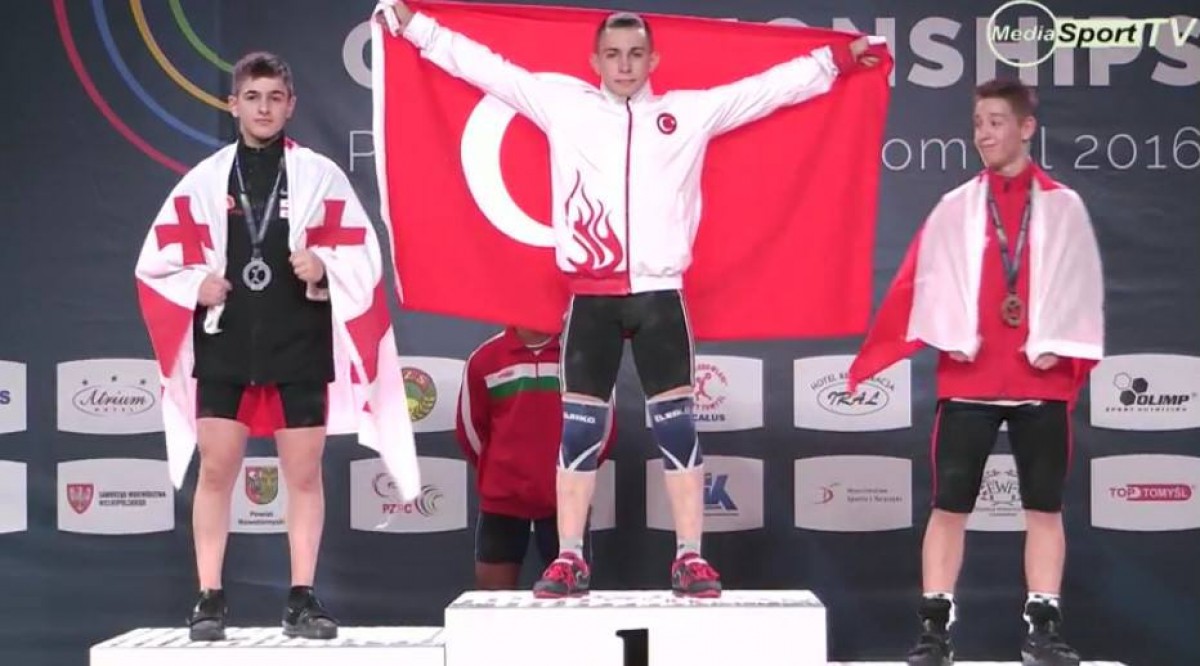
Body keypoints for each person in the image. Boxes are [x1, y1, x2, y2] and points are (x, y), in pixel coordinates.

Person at [377, 0, 884, 598]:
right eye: (613, 55)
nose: (624, 65)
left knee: (678, 430)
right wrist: (417, 26)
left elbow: (766, 90)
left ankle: (690, 558)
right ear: (594, 61)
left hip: (660, 295)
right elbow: (487, 68)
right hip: (590, 297)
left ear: (653, 61)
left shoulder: (686, 113)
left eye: (635, 54)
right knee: (578, 433)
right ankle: (569, 558)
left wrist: (835, 61)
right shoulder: (562, 104)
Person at [135, 52, 417, 641]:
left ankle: (301, 598)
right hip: (227, 340)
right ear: (233, 104)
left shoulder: (320, 175)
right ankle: (209, 598)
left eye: (274, 98)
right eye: (252, 97)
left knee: (304, 472)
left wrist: (325, 267)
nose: (263, 108)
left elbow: (364, 257)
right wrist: (195, 285)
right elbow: (154, 265)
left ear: (291, 106)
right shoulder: (206, 179)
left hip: (299, 338)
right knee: (216, 469)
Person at [847, 79, 1104, 666]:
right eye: (978, 124)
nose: (983, 134)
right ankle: (935, 632)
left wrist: (1060, 340)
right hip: (969, 382)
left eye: (995, 122)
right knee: (949, 507)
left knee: (1044, 509)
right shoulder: (956, 205)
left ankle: (1042, 632)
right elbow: (921, 283)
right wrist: (948, 334)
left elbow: (1082, 288)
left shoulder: (1063, 205)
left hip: (1040, 383)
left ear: (1026, 128)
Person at [456, 326, 615, 589]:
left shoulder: (584, 356)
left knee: (571, 602)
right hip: (502, 502)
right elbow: (471, 430)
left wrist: (574, 478)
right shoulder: (484, 358)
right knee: (491, 603)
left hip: (566, 501)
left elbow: (603, 429)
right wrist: (500, 471)